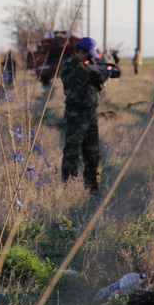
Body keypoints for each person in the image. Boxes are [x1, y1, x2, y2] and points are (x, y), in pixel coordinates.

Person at [60, 37, 108, 194]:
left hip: (91, 116)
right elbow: (70, 84)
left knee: (93, 153)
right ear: (80, 51)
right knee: (72, 152)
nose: (90, 58)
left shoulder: (89, 65)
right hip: (76, 115)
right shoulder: (69, 65)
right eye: (88, 54)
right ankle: (68, 187)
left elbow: (97, 88)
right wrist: (88, 71)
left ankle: (92, 186)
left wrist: (100, 78)